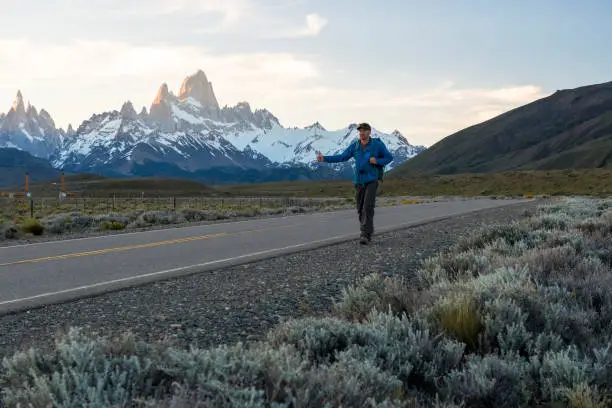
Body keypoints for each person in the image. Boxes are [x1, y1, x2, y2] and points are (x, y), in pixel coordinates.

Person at [317, 123, 393, 245]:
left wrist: (377, 161)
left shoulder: (377, 145)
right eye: (360, 131)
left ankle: (365, 234)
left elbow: (389, 157)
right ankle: (368, 229)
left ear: (369, 132)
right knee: (360, 209)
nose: (361, 133)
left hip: (372, 180)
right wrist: (325, 158)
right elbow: (342, 157)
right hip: (359, 182)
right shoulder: (355, 146)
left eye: (364, 131)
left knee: (367, 206)